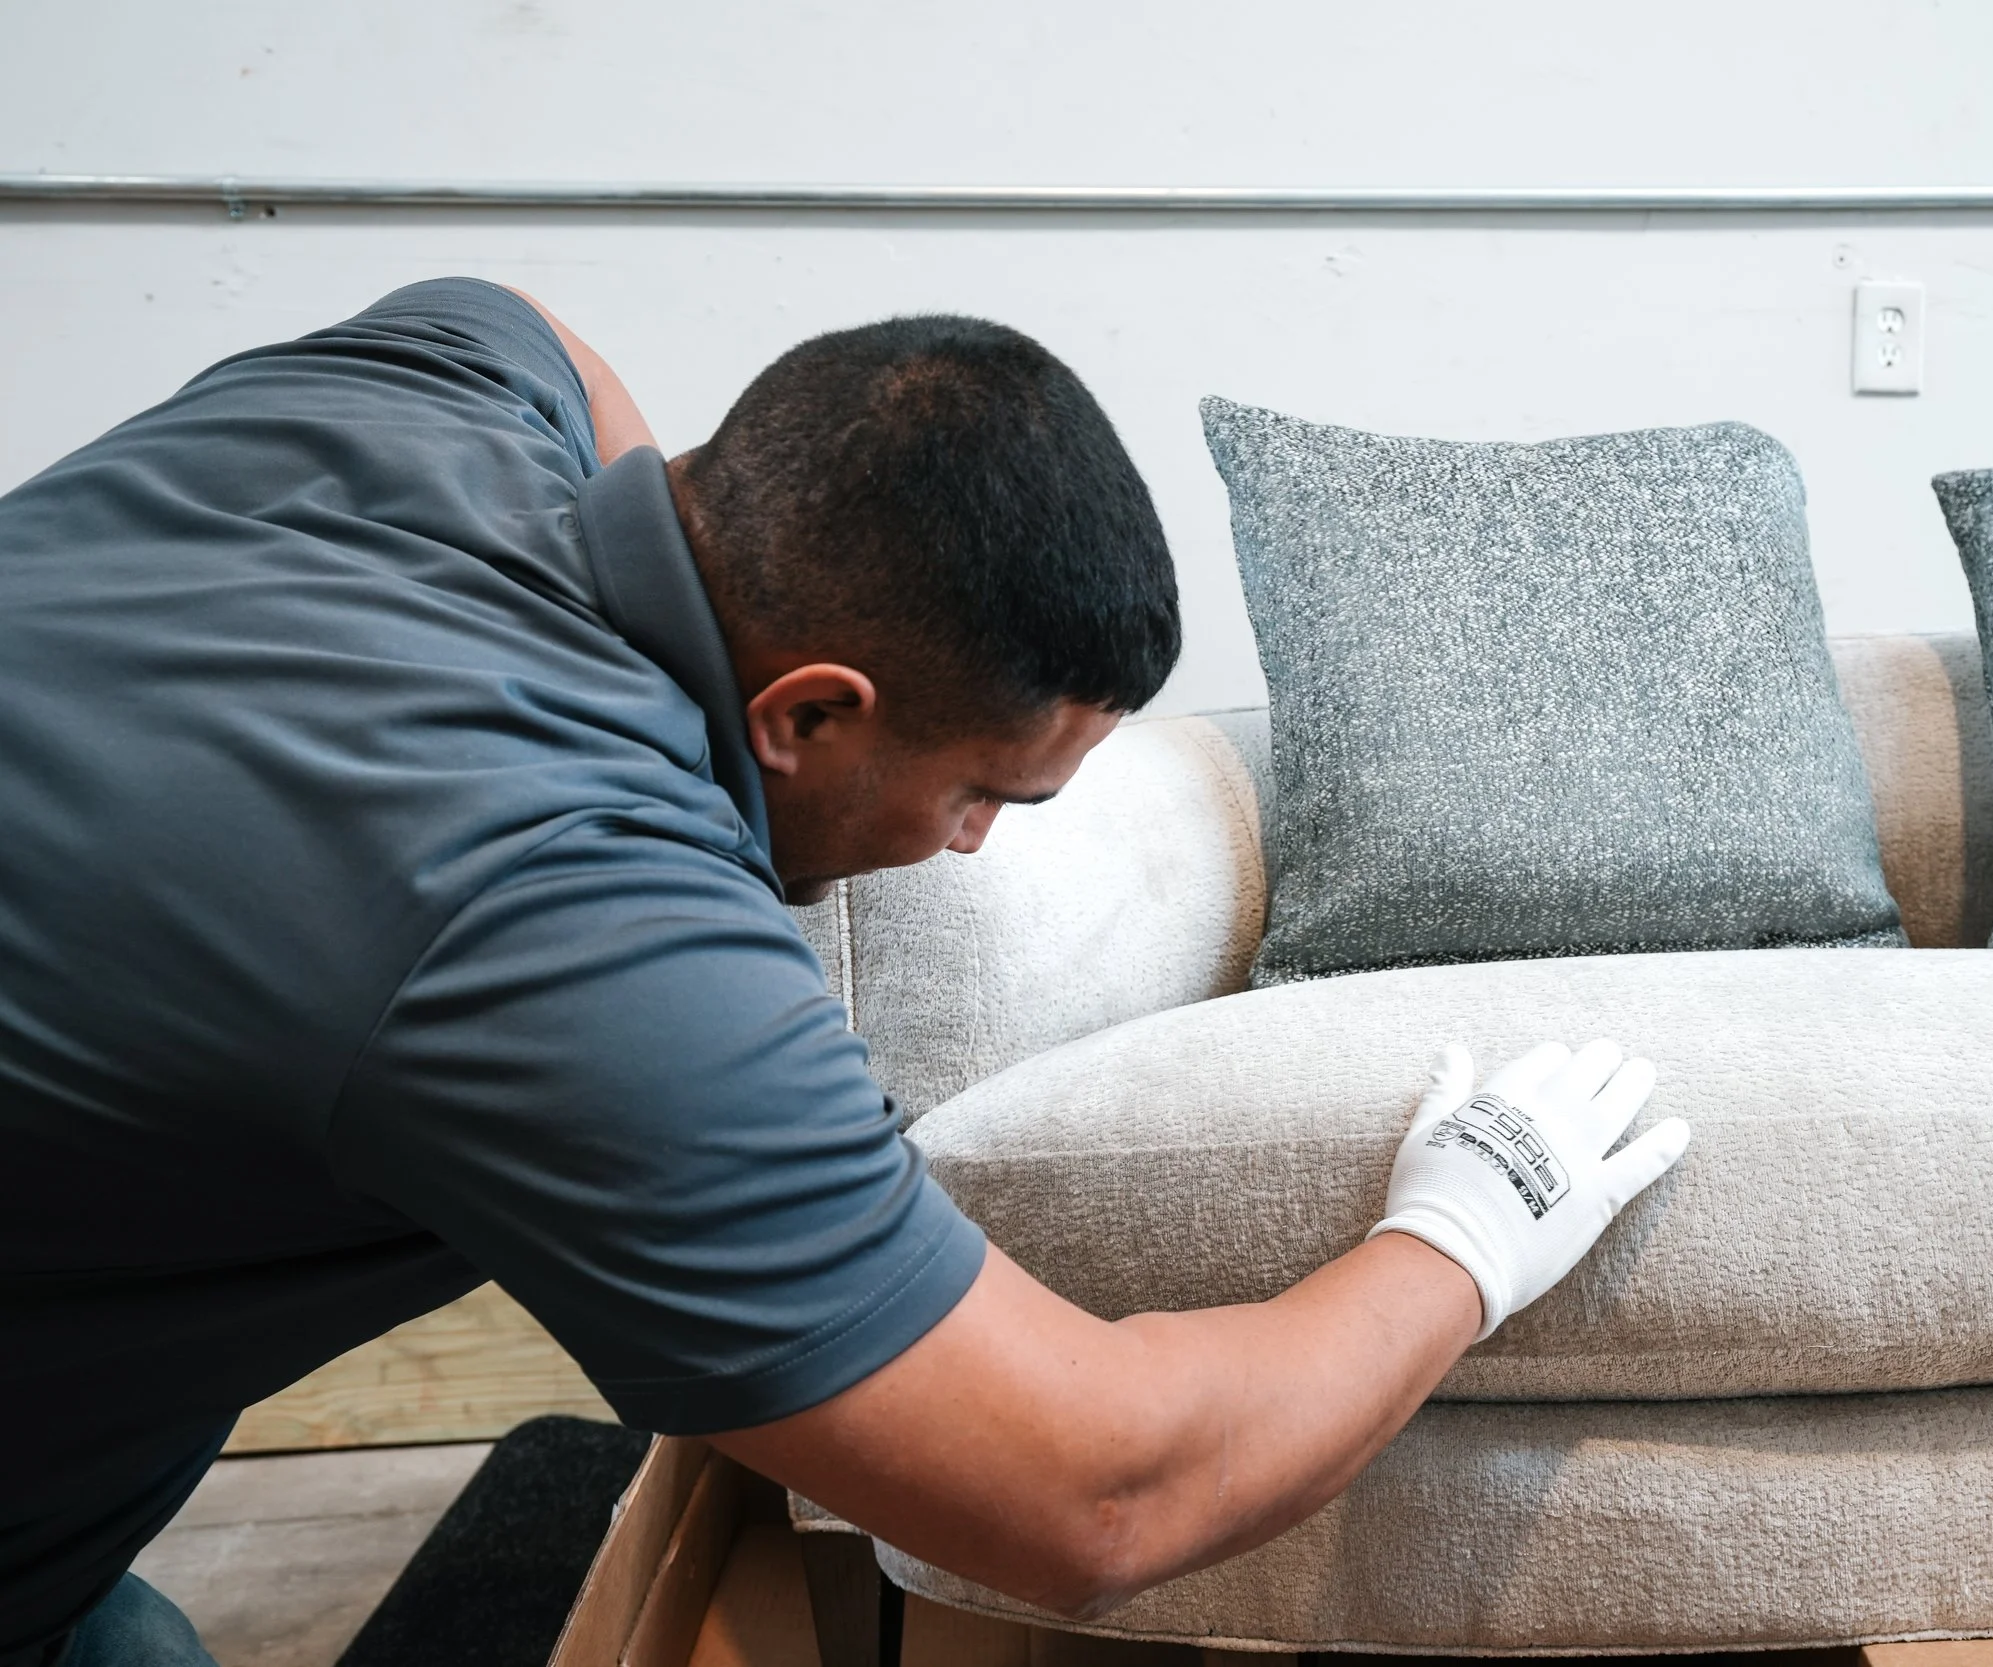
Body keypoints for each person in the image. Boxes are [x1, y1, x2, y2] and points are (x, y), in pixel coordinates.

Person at [0, 279, 1690, 1665]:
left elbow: (554, 342)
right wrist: (1474, 1222)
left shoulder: (441, 379)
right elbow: (1103, 1497)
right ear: (807, 712)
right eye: (979, 793)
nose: (969, 847)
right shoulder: (574, 933)